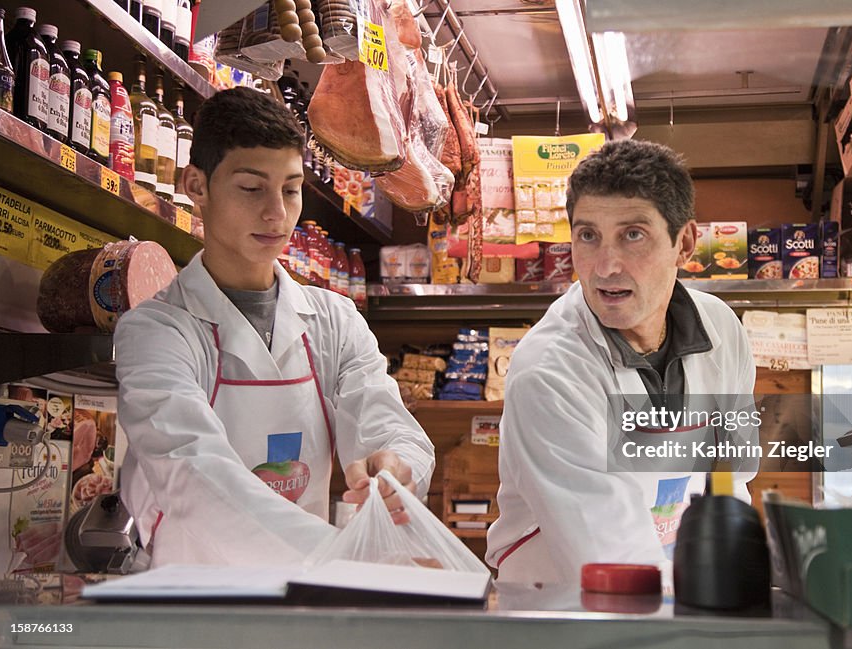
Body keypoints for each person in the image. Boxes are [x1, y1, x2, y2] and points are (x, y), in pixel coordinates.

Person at [115, 87, 434, 567]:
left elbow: (387, 423)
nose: (277, 214)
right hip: (191, 602)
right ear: (196, 186)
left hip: (304, 602)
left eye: (290, 189)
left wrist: (396, 465)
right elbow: (194, 475)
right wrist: (341, 555)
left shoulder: (334, 322)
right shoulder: (157, 331)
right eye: (251, 188)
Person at [486, 140, 758, 585]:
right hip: (560, 601)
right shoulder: (550, 371)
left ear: (684, 243)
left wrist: (731, 570)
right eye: (588, 236)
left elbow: (730, 474)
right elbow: (609, 556)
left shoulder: (721, 330)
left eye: (633, 235)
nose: (605, 267)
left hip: (674, 579)